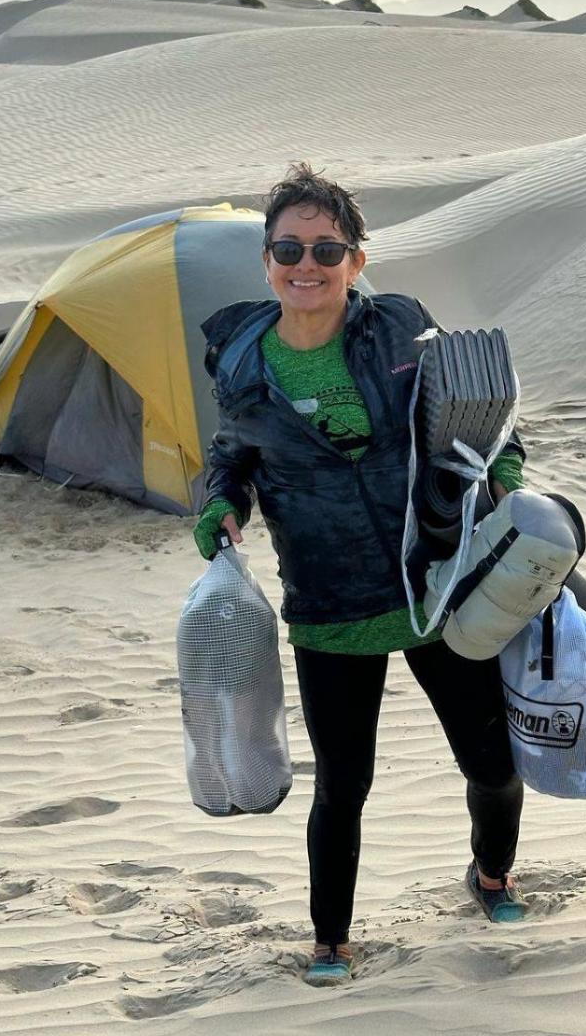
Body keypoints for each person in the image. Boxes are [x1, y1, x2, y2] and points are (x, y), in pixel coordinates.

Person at [193, 163, 528, 988]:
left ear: (356, 259)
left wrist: (508, 473)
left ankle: (491, 875)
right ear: (267, 261)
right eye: (289, 249)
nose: (306, 265)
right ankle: (331, 941)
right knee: (343, 786)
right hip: (329, 600)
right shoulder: (242, 365)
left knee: (491, 764)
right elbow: (230, 457)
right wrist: (219, 503)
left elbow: (481, 412)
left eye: (326, 248)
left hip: (434, 585)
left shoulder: (402, 329)